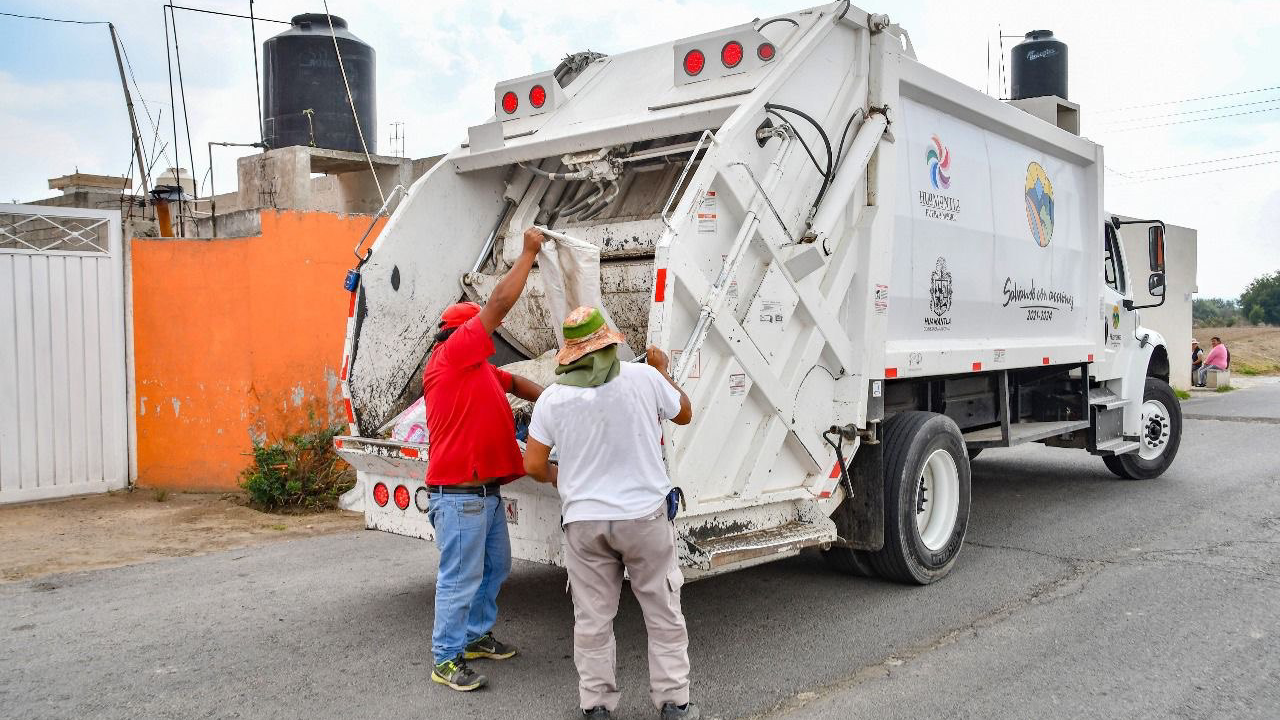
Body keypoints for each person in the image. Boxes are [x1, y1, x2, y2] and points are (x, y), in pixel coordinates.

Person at [524, 307, 699, 720]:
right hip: (644, 518)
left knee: (593, 620)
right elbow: (685, 413)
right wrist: (661, 368)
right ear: (608, 344)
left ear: (570, 353)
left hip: (584, 524)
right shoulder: (644, 378)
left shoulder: (552, 397)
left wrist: (561, 479)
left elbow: (532, 465)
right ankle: (674, 704)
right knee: (662, 612)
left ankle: (597, 706)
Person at [424, 227, 547, 692]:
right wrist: (528, 253)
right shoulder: (451, 356)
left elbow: (515, 384)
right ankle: (446, 657)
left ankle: (474, 636)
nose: (487, 339)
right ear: (460, 334)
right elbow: (497, 305)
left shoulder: (478, 370)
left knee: (495, 567)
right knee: (459, 577)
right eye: (477, 330)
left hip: (484, 494)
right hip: (458, 497)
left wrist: (556, 400)